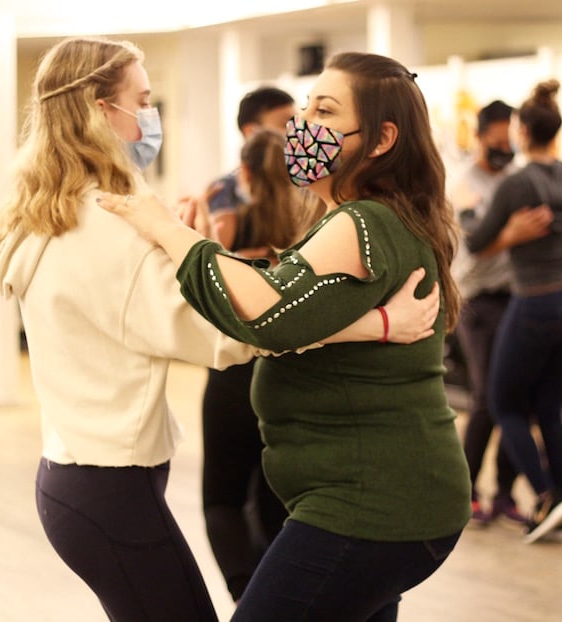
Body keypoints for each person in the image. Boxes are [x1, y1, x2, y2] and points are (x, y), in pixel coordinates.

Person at [0, 37, 439, 622]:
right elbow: (242, 327)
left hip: (76, 476)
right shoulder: (108, 224)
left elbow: (177, 308)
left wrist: (188, 253)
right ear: (101, 111)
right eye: (142, 101)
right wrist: (372, 323)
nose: (151, 116)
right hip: (109, 484)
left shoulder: (55, 210)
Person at [100, 50, 471, 622]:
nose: (301, 126)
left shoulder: (363, 222)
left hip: (369, 505)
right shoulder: (369, 217)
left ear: (380, 139)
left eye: (325, 112)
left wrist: (168, 232)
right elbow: (290, 305)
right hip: (386, 500)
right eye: (305, 108)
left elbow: (265, 314)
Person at [466, 79, 562, 544]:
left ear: (522, 132)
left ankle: (547, 496)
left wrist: (511, 233)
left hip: (536, 301)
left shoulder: (516, 183)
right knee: (550, 410)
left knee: (504, 405)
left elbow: (477, 242)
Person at [201, 128, 318, 602]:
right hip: (291, 381)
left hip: (233, 379)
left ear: (245, 173)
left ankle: (247, 600)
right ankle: (279, 601)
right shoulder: (314, 234)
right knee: (279, 504)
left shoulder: (226, 234)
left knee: (222, 500)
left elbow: (203, 298)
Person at [451, 99, 547, 526]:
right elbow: (476, 244)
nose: (505, 149)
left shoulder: (515, 180)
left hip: (516, 299)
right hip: (477, 302)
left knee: (517, 400)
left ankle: (505, 493)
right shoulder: (463, 185)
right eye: (497, 142)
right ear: (479, 137)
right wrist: (511, 233)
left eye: (511, 142)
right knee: (487, 400)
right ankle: (466, 491)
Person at [206, 86, 297, 243]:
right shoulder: (221, 193)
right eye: (285, 125)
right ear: (251, 132)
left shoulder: (310, 190)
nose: (296, 133)